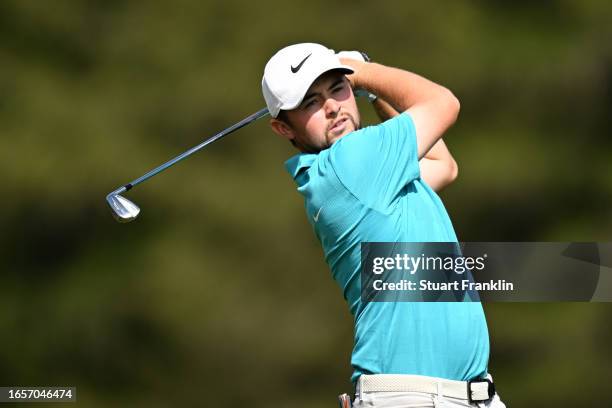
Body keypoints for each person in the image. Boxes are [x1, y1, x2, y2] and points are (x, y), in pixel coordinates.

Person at [262, 43, 505, 408]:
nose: (332, 108)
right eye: (311, 102)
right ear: (283, 128)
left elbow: (443, 164)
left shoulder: (369, 176)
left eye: (337, 89)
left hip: (467, 394)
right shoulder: (352, 161)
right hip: (414, 398)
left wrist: (371, 91)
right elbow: (444, 103)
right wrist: (360, 72)